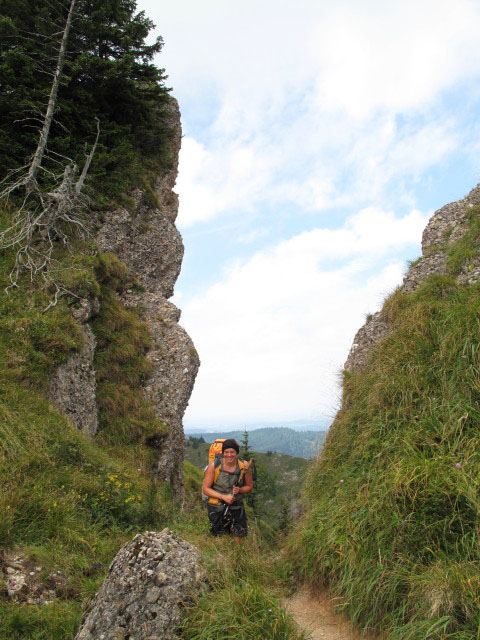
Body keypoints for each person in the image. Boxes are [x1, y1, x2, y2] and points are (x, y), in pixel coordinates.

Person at [202, 438, 253, 539]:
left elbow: (249, 487)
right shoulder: (214, 466)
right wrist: (224, 497)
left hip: (236, 506)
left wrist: (240, 490)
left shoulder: (244, 466)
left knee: (239, 537)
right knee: (221, 537)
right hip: (217, 506)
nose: (229, 455)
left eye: (232, 452)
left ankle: (236, 554)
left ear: (236, 452)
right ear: (223, 453)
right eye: (226, 452)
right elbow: (206, 489)